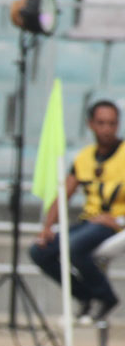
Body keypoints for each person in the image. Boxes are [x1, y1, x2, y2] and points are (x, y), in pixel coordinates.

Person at [30, 100, 124, 323]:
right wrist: (47, 228)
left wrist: (119, 219)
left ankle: (106, 297)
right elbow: (64, 194)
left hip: (113, 225)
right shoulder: (84, 157)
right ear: (90, 124)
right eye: (101, 123)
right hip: (89, 223)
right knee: (40, 252)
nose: (106, 130)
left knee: (74, 248)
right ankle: (85, 296)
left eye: (111, 124)